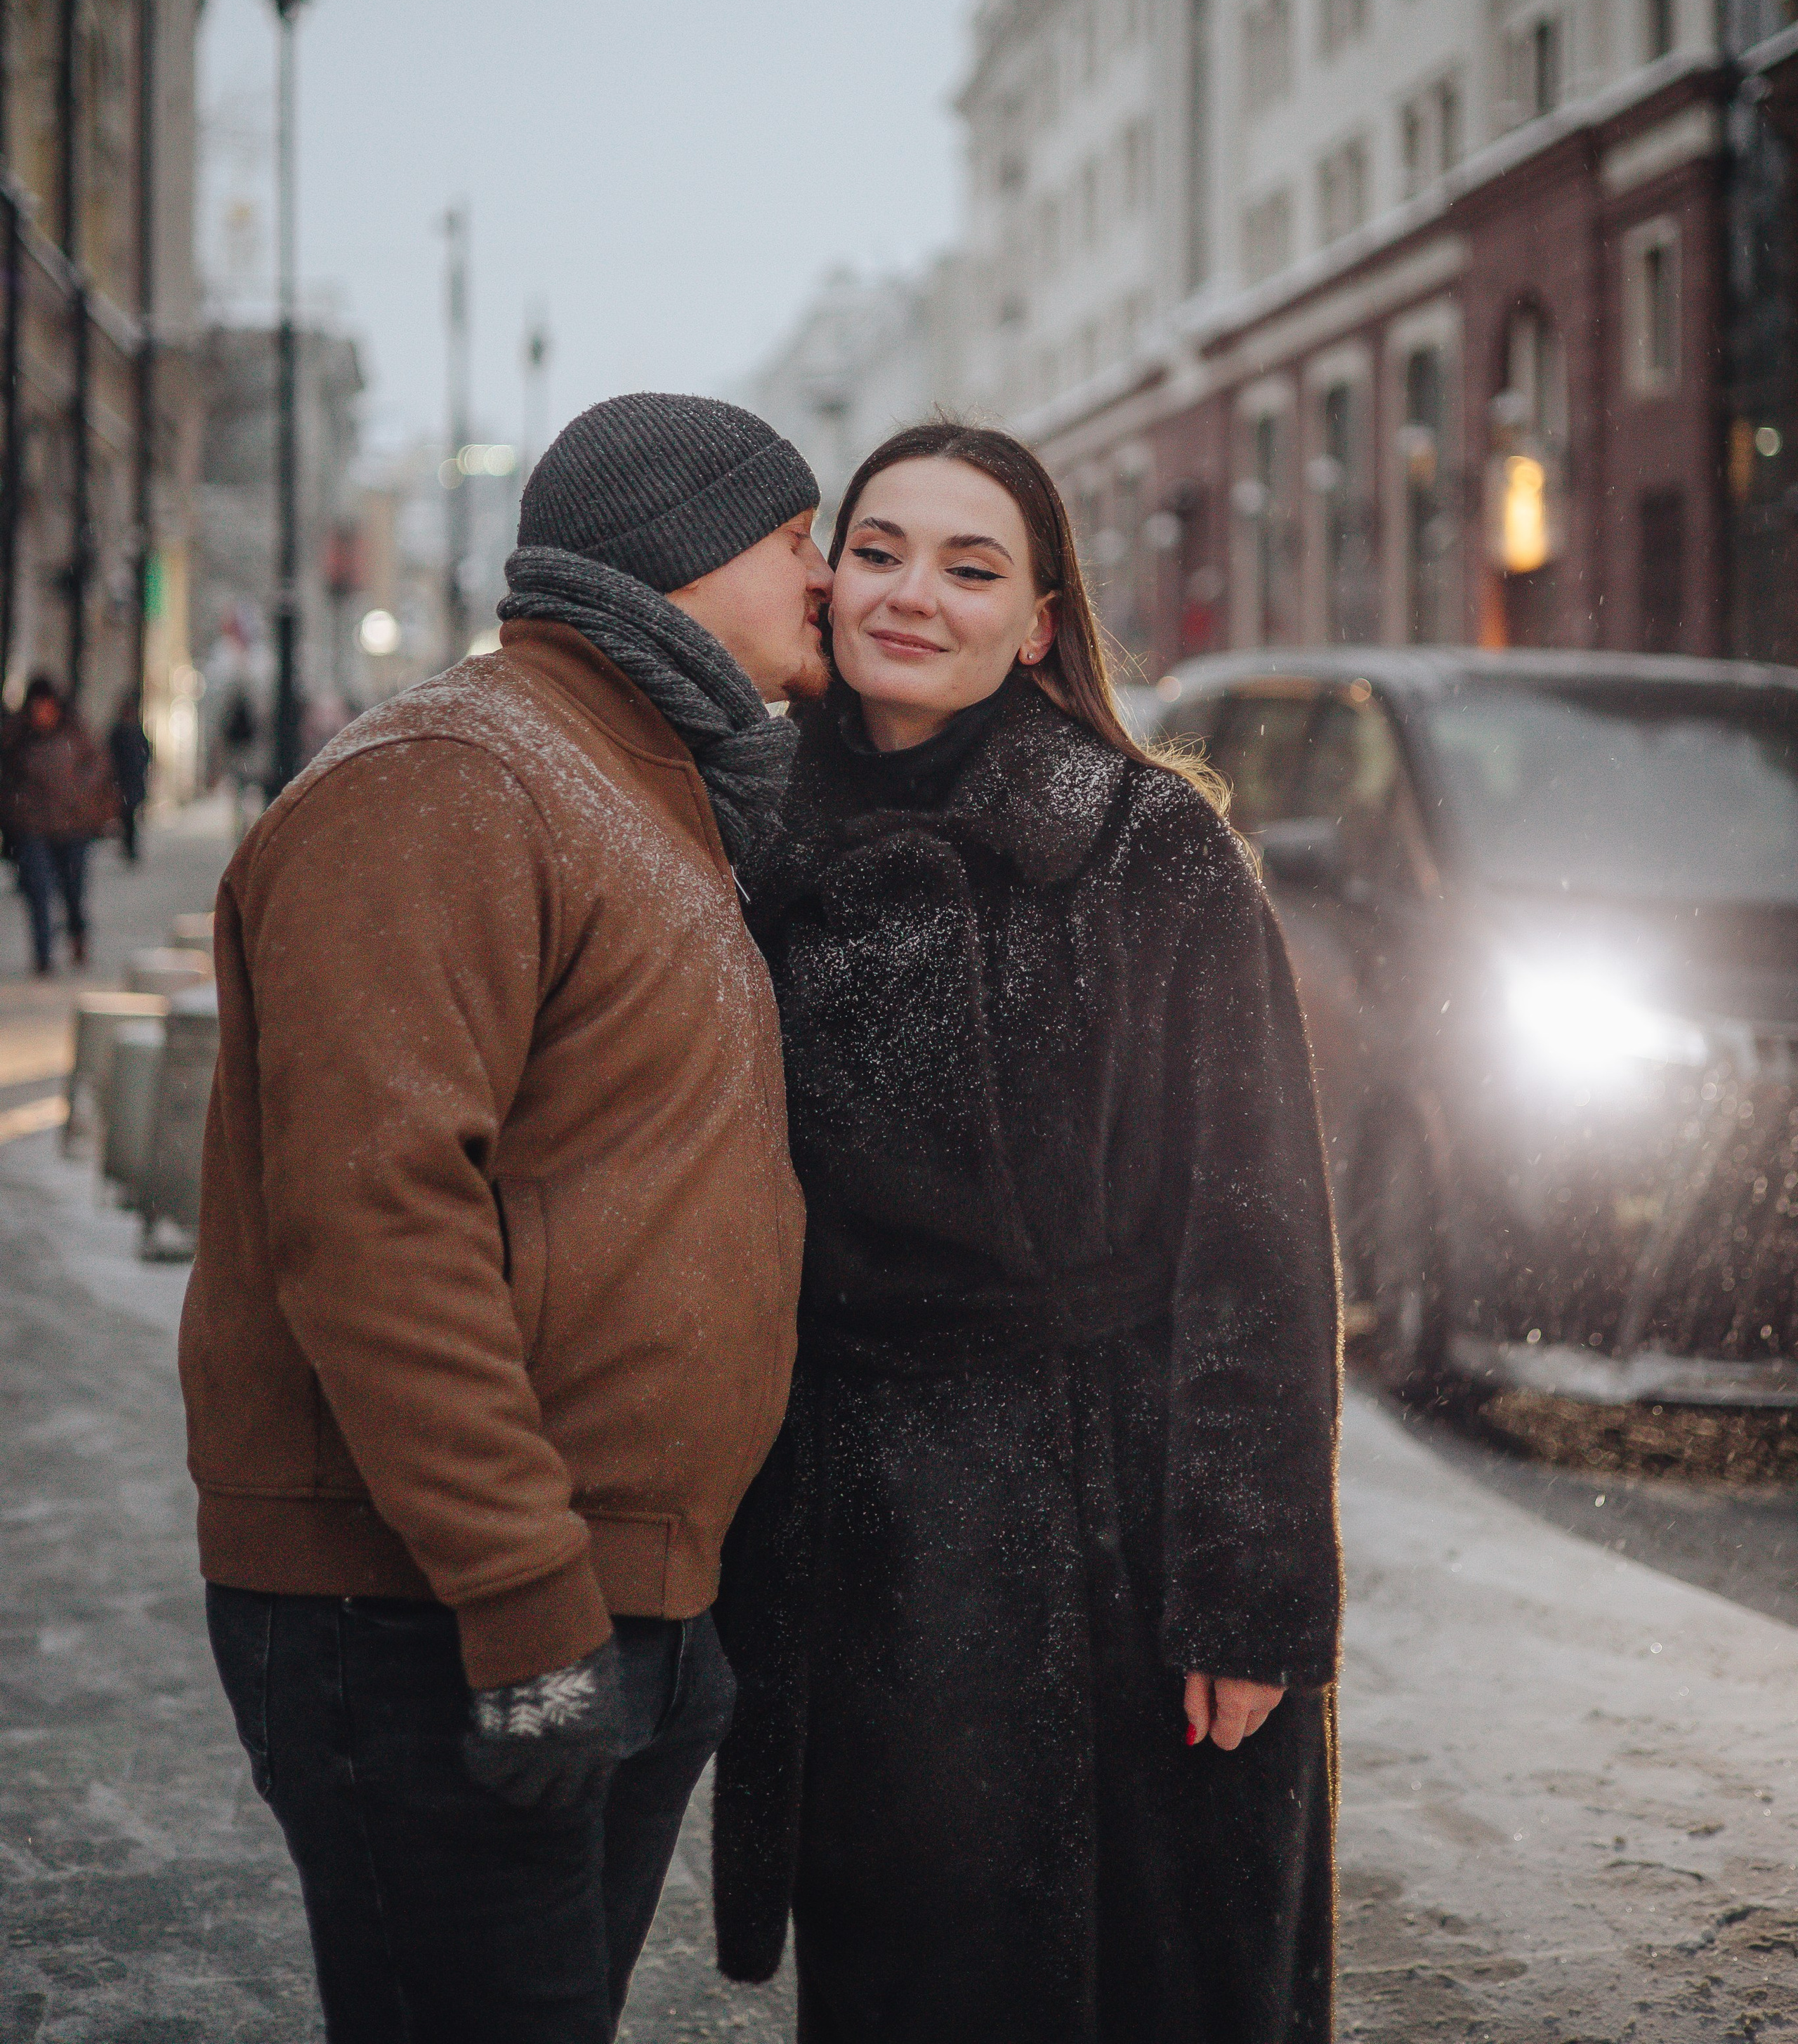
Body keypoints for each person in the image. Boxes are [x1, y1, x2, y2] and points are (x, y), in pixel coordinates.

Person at [181, 394, 831, 2044]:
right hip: (436, 1619)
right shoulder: (455, 777)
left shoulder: (639, 781)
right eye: (797, 540)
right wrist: (527, 1598)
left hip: (605, 1609)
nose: (822, 579)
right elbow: (376, 1222)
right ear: (683, 553)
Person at [713, 423, 1342, 2044]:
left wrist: (1244, 1590)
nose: (911, 592)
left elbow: (1257, 1240)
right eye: (878, 549)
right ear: (824, 574)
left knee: (1149, 1984)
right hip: (858, 1545)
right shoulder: (740, 839)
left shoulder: (1147, 848)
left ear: (1039, 621)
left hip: (1118, 1540)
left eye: (969, 565)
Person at [1, 676, 119, 975]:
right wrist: (17, 806)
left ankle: (78, 936)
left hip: (72, 827)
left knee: (73, 892)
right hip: (32, 829)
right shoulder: (18, 738)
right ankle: (43, 954)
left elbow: (99, 767)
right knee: (38, 892)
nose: (41, 713)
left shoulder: (76, 733)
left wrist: (79, 793)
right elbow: (6, 778)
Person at [107, 690, 153, 862]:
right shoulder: (120, 732)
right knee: (127, 816)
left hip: (132, 780)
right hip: (124, 780)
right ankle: (129, 847)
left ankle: (130, 847)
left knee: (130, 816)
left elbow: (145, 753)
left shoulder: (134, 731)